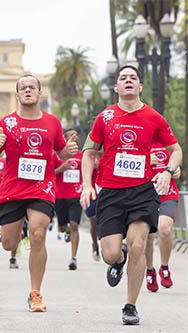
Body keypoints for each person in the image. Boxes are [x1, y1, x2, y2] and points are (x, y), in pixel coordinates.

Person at [80, 65, 182, 325]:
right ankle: (119, 259)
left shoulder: (153, 117)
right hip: (111, 193)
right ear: (116, 87)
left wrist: (168, 171)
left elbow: (176, 149)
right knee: (111, 254)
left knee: (139, 245)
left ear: (139, 87)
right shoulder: (104, 118)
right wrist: (87, 184)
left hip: (141, 192)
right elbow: (89, 153)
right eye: (123, 78)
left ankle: (130, 306)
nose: (128, 81)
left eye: (133, 78)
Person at [0, 74, 78, 312]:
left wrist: (68, 151)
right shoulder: (7, 122)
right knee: (9, 244)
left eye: (32, 87)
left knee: (38, 233)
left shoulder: (52, 122)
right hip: (12, 188)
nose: (28, 90)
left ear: (39, 93)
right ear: (17, 95)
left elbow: (62, 153)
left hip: (41, 187)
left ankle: (35, 293)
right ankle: (2, 230)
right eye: (23, 88)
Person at [144, 142, 181, 292]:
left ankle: (164, 267)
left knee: (164, 229)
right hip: (146, 196)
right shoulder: (140, 138)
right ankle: (149, 270)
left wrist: (177, 170)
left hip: (168, 194)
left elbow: (176, 159)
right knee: (148, 236)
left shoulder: (168, 142)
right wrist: (146, 160)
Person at [53, 129, 83, 270]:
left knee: (75, 225)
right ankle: (66, 232)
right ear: (65, 139)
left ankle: (74, 258)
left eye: (76, 135)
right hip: (60, 195)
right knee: (62, 227)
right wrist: (61, 169)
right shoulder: (57, 156)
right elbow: (49, 174)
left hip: (76, 195)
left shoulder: (82, 156)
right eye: (71, 135)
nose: (75, 137)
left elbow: (90, 171)